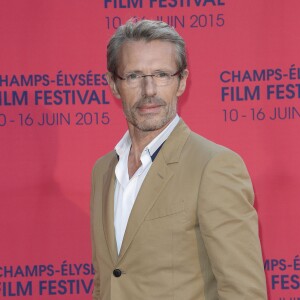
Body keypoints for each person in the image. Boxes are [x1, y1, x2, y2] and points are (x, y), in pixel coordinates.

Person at [90, 19, 267, 300]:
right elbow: (107, 280)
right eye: (134, 76)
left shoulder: (214, 166)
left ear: (181, 81)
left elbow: (243, 291)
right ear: (113, 84)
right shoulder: (103, 171)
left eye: (161, 74)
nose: (149, 91)